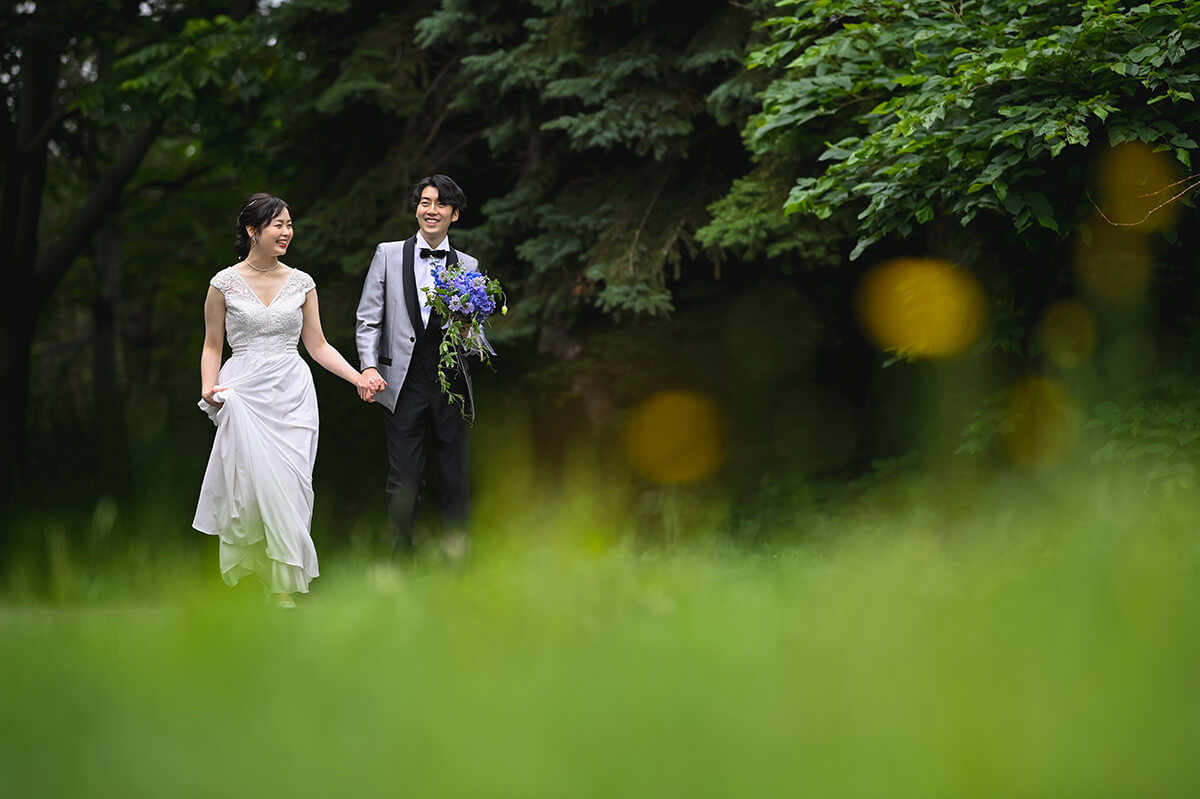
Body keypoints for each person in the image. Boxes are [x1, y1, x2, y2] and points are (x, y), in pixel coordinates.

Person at [193, 193, 382, 607]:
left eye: (289, 225)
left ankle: (282, 584)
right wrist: (209, 386)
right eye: (278, 225)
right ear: (252, 231)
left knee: (292, 486)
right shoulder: (221, 284)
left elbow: (317, 345)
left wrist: (358, 378)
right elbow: (212, 345)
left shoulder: (302, 283)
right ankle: (269, 582)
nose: (286, 233)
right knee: (253, 488)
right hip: (243, 391)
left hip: (292, 393)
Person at [355, 174, 477, 559]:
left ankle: (456, 558)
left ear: (454, 214)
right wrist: (369, 366)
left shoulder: (468, 264)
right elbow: (368, 318)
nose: (431, 210)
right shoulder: (388, 254)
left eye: (441, 204)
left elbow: (475, 335)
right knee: (404, 476)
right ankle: (400, 558)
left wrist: (471, 329)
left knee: (454, 475)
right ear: (417, 209)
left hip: (450, 382)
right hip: (401, 382)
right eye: (425, 202)